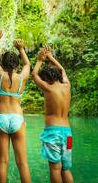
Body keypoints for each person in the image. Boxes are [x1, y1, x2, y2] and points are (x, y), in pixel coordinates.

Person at [0, 29, 31, 183]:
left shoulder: (0, 75)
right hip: (17, 119)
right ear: (16, 64)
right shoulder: (21, 78)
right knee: (22, 163)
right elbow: (27, 64)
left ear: (3, 63)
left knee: (3, 161)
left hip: (1, 119)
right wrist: (21, 49)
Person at [31, 47, 74, 183]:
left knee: (55, 169)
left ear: (46, 79)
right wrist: (50, 57)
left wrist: (39, 60)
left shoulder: (48, 88)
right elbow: (63, 71)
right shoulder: (67, 85)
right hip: (68, 133)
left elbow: (34, 75)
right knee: (65, 169)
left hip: (53, 133)